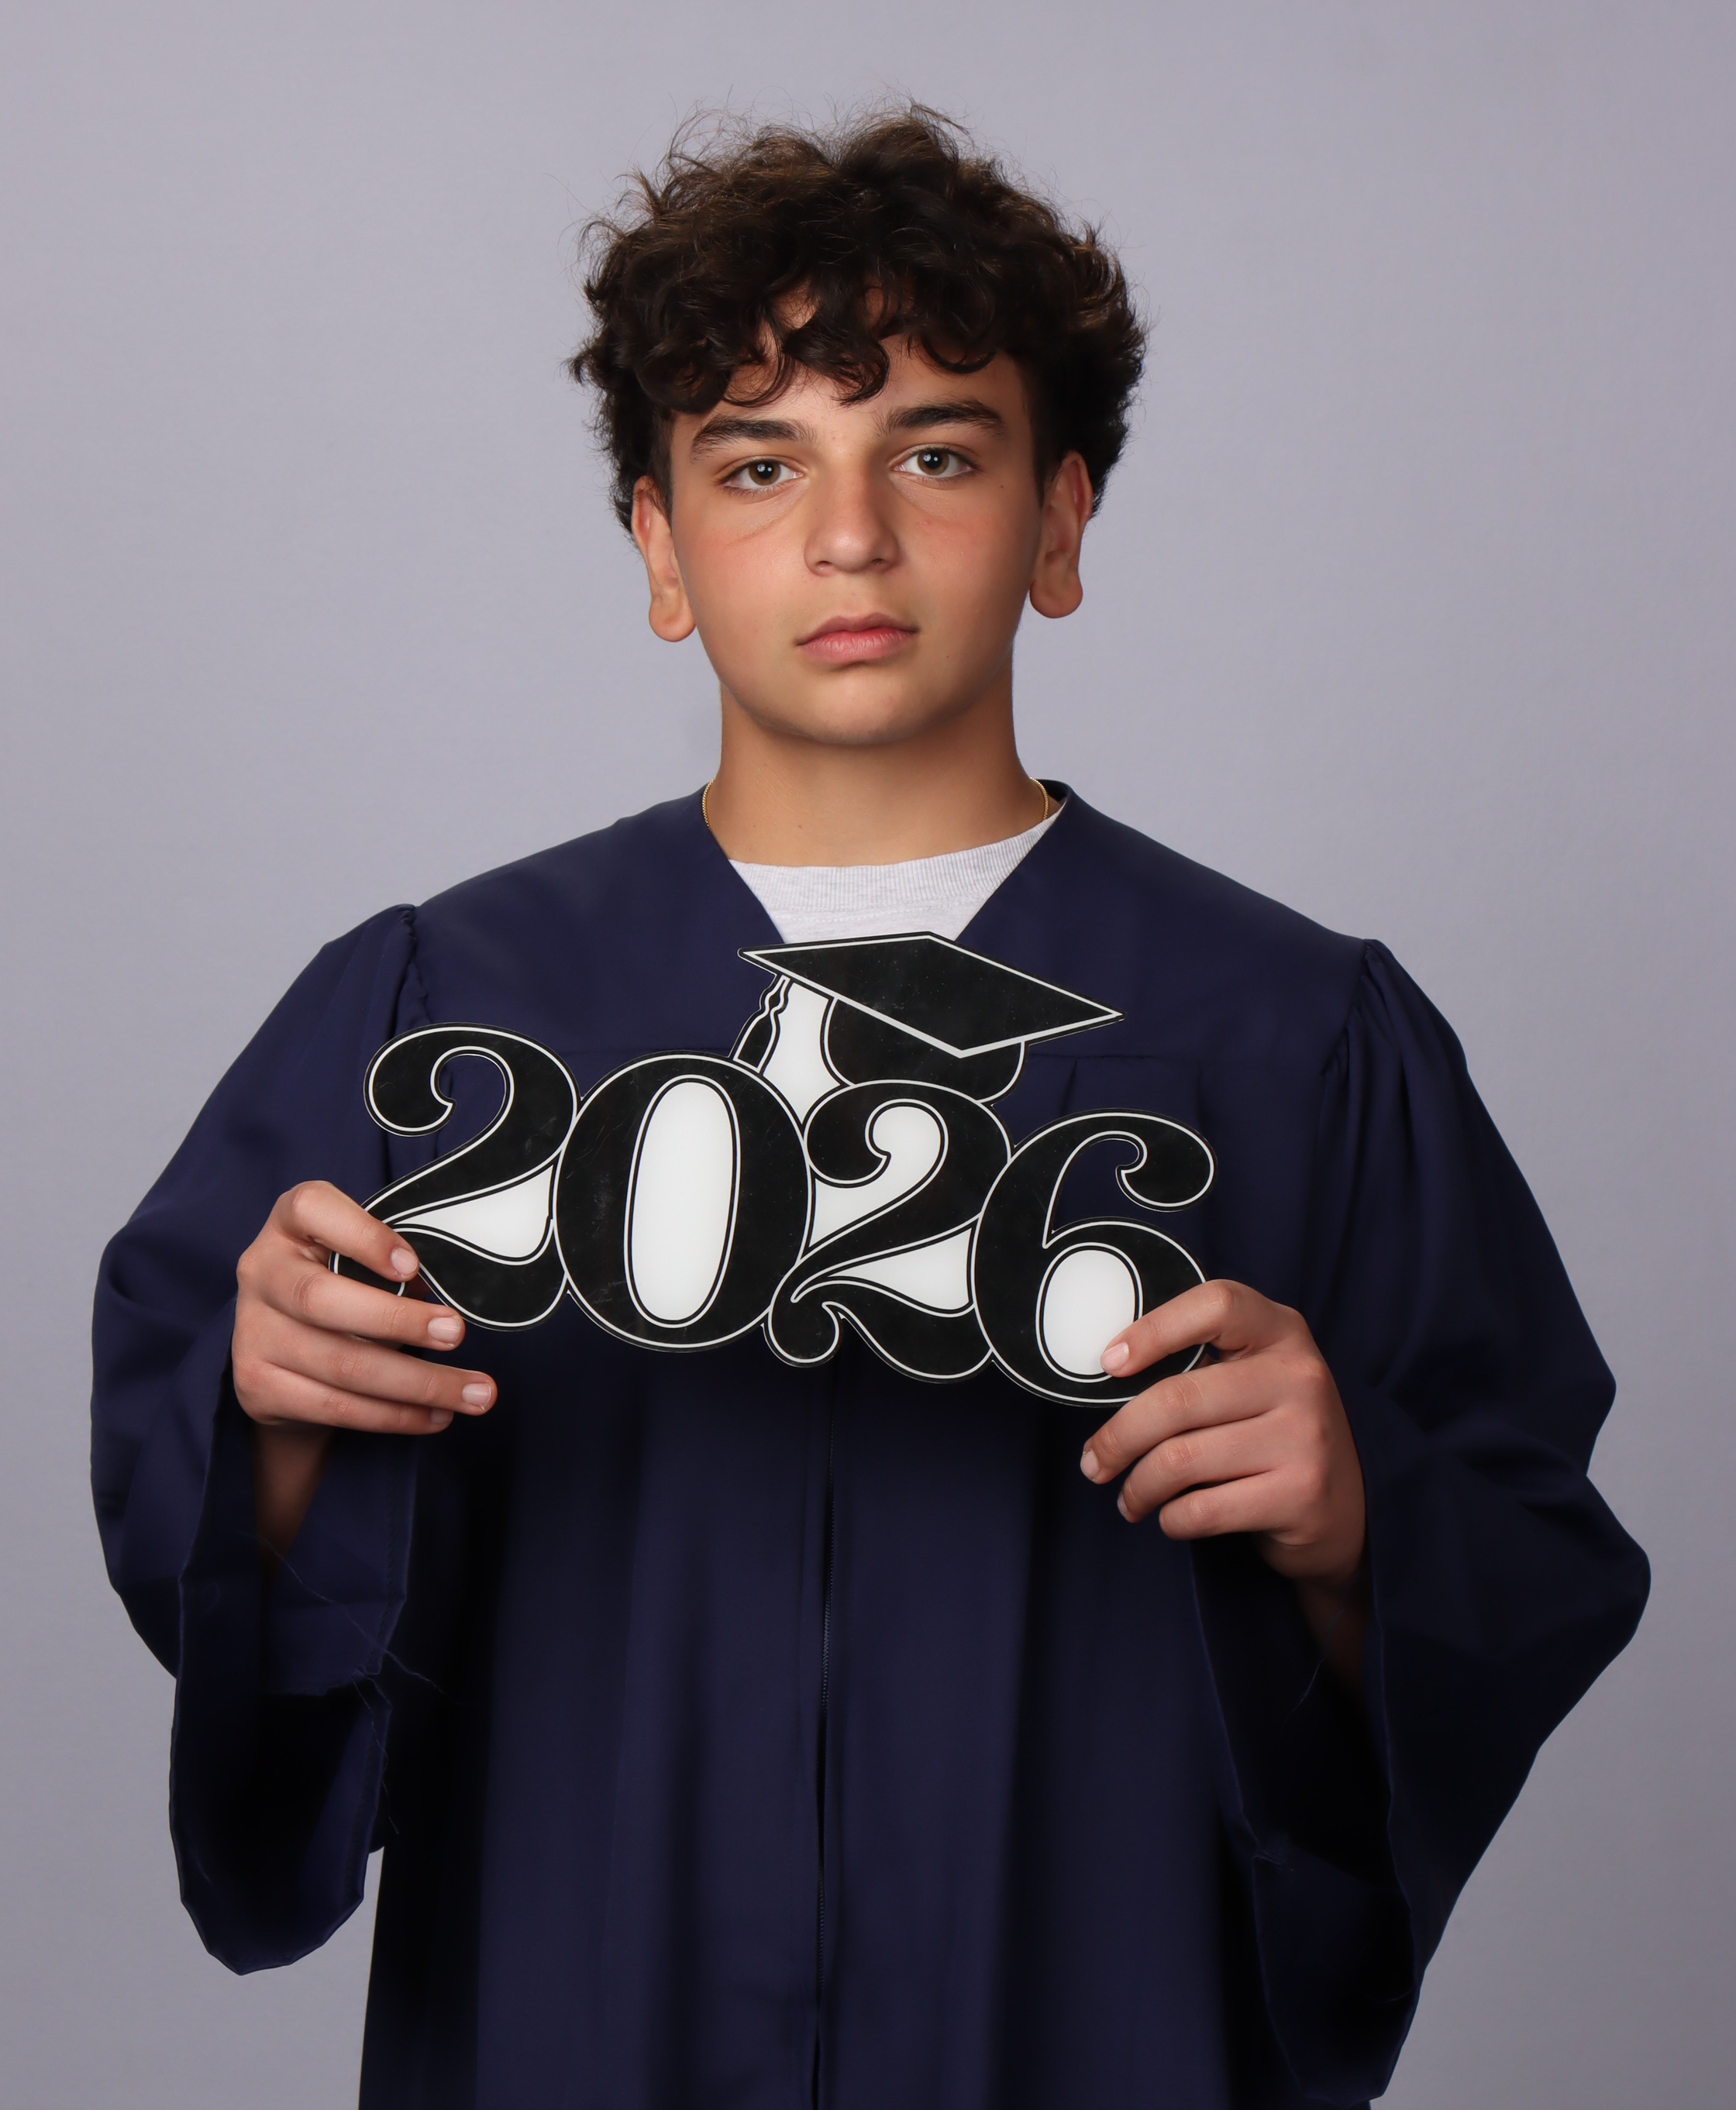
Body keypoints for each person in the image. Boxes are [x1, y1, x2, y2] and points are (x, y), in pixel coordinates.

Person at [91, 108, 1648, 2110]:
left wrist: (1357, 1527)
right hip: (582, 2020)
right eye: (760, 464)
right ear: (661, 549)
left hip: (1095, 2027)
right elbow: (210, 1522)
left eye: (935, 452)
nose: (850, 538)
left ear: (1061, 522)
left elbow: (1523, 1535)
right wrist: (278, 1428)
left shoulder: (1295, 1037)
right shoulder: (445, 1012)